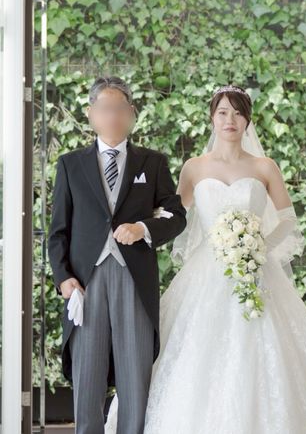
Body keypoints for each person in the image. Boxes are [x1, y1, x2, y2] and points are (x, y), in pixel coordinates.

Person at [105, 85, 306, 433]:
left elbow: (287, 218)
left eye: (239, 112)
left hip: (256, 268)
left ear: (248, 121)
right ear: (212, 118)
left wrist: (259, 246)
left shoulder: (264, 166)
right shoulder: (194, 168)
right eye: (223, 112)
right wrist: (139, 225)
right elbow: (173, 215)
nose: (231, 119)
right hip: (207, 271)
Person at [48, 76, 187, 434]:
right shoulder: (70, 165)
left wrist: (143, 228)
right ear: (91, 114)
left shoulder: (152, 163)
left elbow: (177, 216)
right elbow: (58, 231)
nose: (113, 116)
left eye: (120, 109)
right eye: (105, 108)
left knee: (135, 375)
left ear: (132, 113)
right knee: (87, 374)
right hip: (86, 282)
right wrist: (64, 279)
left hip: (134, 279)